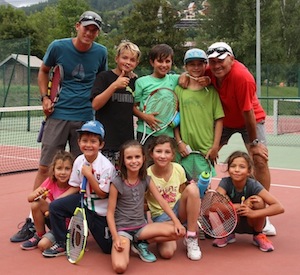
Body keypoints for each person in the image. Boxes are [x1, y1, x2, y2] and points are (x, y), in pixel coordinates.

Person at [10, 10, 108, 243]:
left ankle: (74, 221)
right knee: (45, 168)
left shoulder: (101, 52)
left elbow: (103, 81)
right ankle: (32, 222)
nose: (89, 32)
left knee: (79, 175)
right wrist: (44, 97)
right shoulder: (58, 47)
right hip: (58, 116)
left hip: (86, 119)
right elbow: (44, 71)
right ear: (77, 26)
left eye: (94, 29)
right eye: (86, 27)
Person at [204, 41, 276, 235]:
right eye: (212, 62)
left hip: (249, 121)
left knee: (260, 160)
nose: (216, 65)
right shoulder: (208, 71)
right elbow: (190, 74)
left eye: (221, 61)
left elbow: (248, 113)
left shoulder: (242, 77)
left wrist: (253, 144)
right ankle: (202, 206)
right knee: (206, 154)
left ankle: (262, 211)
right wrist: (187, 79)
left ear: (232, 59)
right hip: (224, 121)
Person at [107, 140, 185, 273]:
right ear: (123, 160)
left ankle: (140, 242)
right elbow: (110, 213)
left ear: (143, 158)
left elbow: (161, 201)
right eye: (129, 157)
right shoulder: (117, 183)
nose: (134, 161)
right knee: (120, 267)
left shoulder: (146, 179)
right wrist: (115, 237)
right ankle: (130, 243)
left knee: (179, 231)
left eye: (137, 157)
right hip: (123, 230)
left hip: (142, 228)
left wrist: (177, 222)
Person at [42, 120, 116, 257]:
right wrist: (56, 201)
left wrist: (89, 175)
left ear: (101, 145)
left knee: (107, 248)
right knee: (56, 207)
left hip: (101, 212)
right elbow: (75, 187)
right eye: (85, 141)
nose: (88, 145)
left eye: (93, 141)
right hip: (84, 204)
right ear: (79, 143)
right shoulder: (78, 161)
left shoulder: (106, 167)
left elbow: (102, 194)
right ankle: (62, 243)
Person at [212, 151, 284, 252]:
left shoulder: (253, 184)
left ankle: (258, 235)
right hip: (234, 223)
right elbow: (213, 205)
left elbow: (279, 207)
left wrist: (253, 213)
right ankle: (229, 234)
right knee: (222, 199)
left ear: (249, 171)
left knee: (258, 200)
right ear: (228, 169)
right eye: (233, 166)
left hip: (252, 223)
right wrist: (240, 206)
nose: (237, 170)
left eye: (242, 167)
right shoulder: (225, 182)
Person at [145, 135, 202, 261]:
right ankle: (183, 228)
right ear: (151, 153)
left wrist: (192, 207)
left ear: (172, 155)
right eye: (158, 151)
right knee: (167, 253)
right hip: (161, 216)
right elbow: (143, 202)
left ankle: (191, 237)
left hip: (178, 209)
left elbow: (183, 191)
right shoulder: (147, 175)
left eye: (167, 152)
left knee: (193, 189)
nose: (163, 156)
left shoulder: (178, 169)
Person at [91, 41, 141, 168]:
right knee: (104, 181)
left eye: (132, 59)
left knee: (124, 181)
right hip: (105, 143)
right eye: (124, 58)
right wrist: (114, 85)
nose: (128, 62)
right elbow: (95, 104)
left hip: (127, 143)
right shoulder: (104, 77)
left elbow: (135, 107)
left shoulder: (136, 81)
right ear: (117, 58)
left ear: (136, 63)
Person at [174, 48, 224, 172]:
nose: (196, 68)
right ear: (185, 66)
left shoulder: (212, 91)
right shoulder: (179, 90)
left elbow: (219, 120)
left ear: (205, 65)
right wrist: (179, 142)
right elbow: (174, 120)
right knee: (184, 187)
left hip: (206, 149)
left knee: (204, 187)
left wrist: (215, 147)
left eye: (200, 64)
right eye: (192, 64)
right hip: (185, 149)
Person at [20, 151, 74, 251]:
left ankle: (61, 241)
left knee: (43, 246)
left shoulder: (73, 185)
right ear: (53, 170)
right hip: (54, 218)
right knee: (36, 204)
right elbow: (30, 198)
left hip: (67, 224)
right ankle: (40, 235)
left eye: (67, 169)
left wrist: (52, 209)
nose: (63, 172)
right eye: (59, 168)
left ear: (72, 170)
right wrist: (37, 193)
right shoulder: (51, 181)